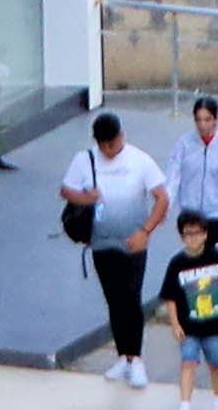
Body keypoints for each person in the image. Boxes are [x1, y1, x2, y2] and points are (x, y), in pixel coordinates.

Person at [69, 112, 180, 386]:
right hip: (101, 241)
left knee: (131, 298)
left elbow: (161, 198)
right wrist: (86, 197)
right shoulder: (85, 160)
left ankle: (136, 358)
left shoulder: (139, 160)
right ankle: (123, 356)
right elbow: (67, 191)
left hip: (133, 242)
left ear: (121, 136)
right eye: (104, 145)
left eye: (113, 143)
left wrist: (145, 231)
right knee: (114, 299)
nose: (109, 149)